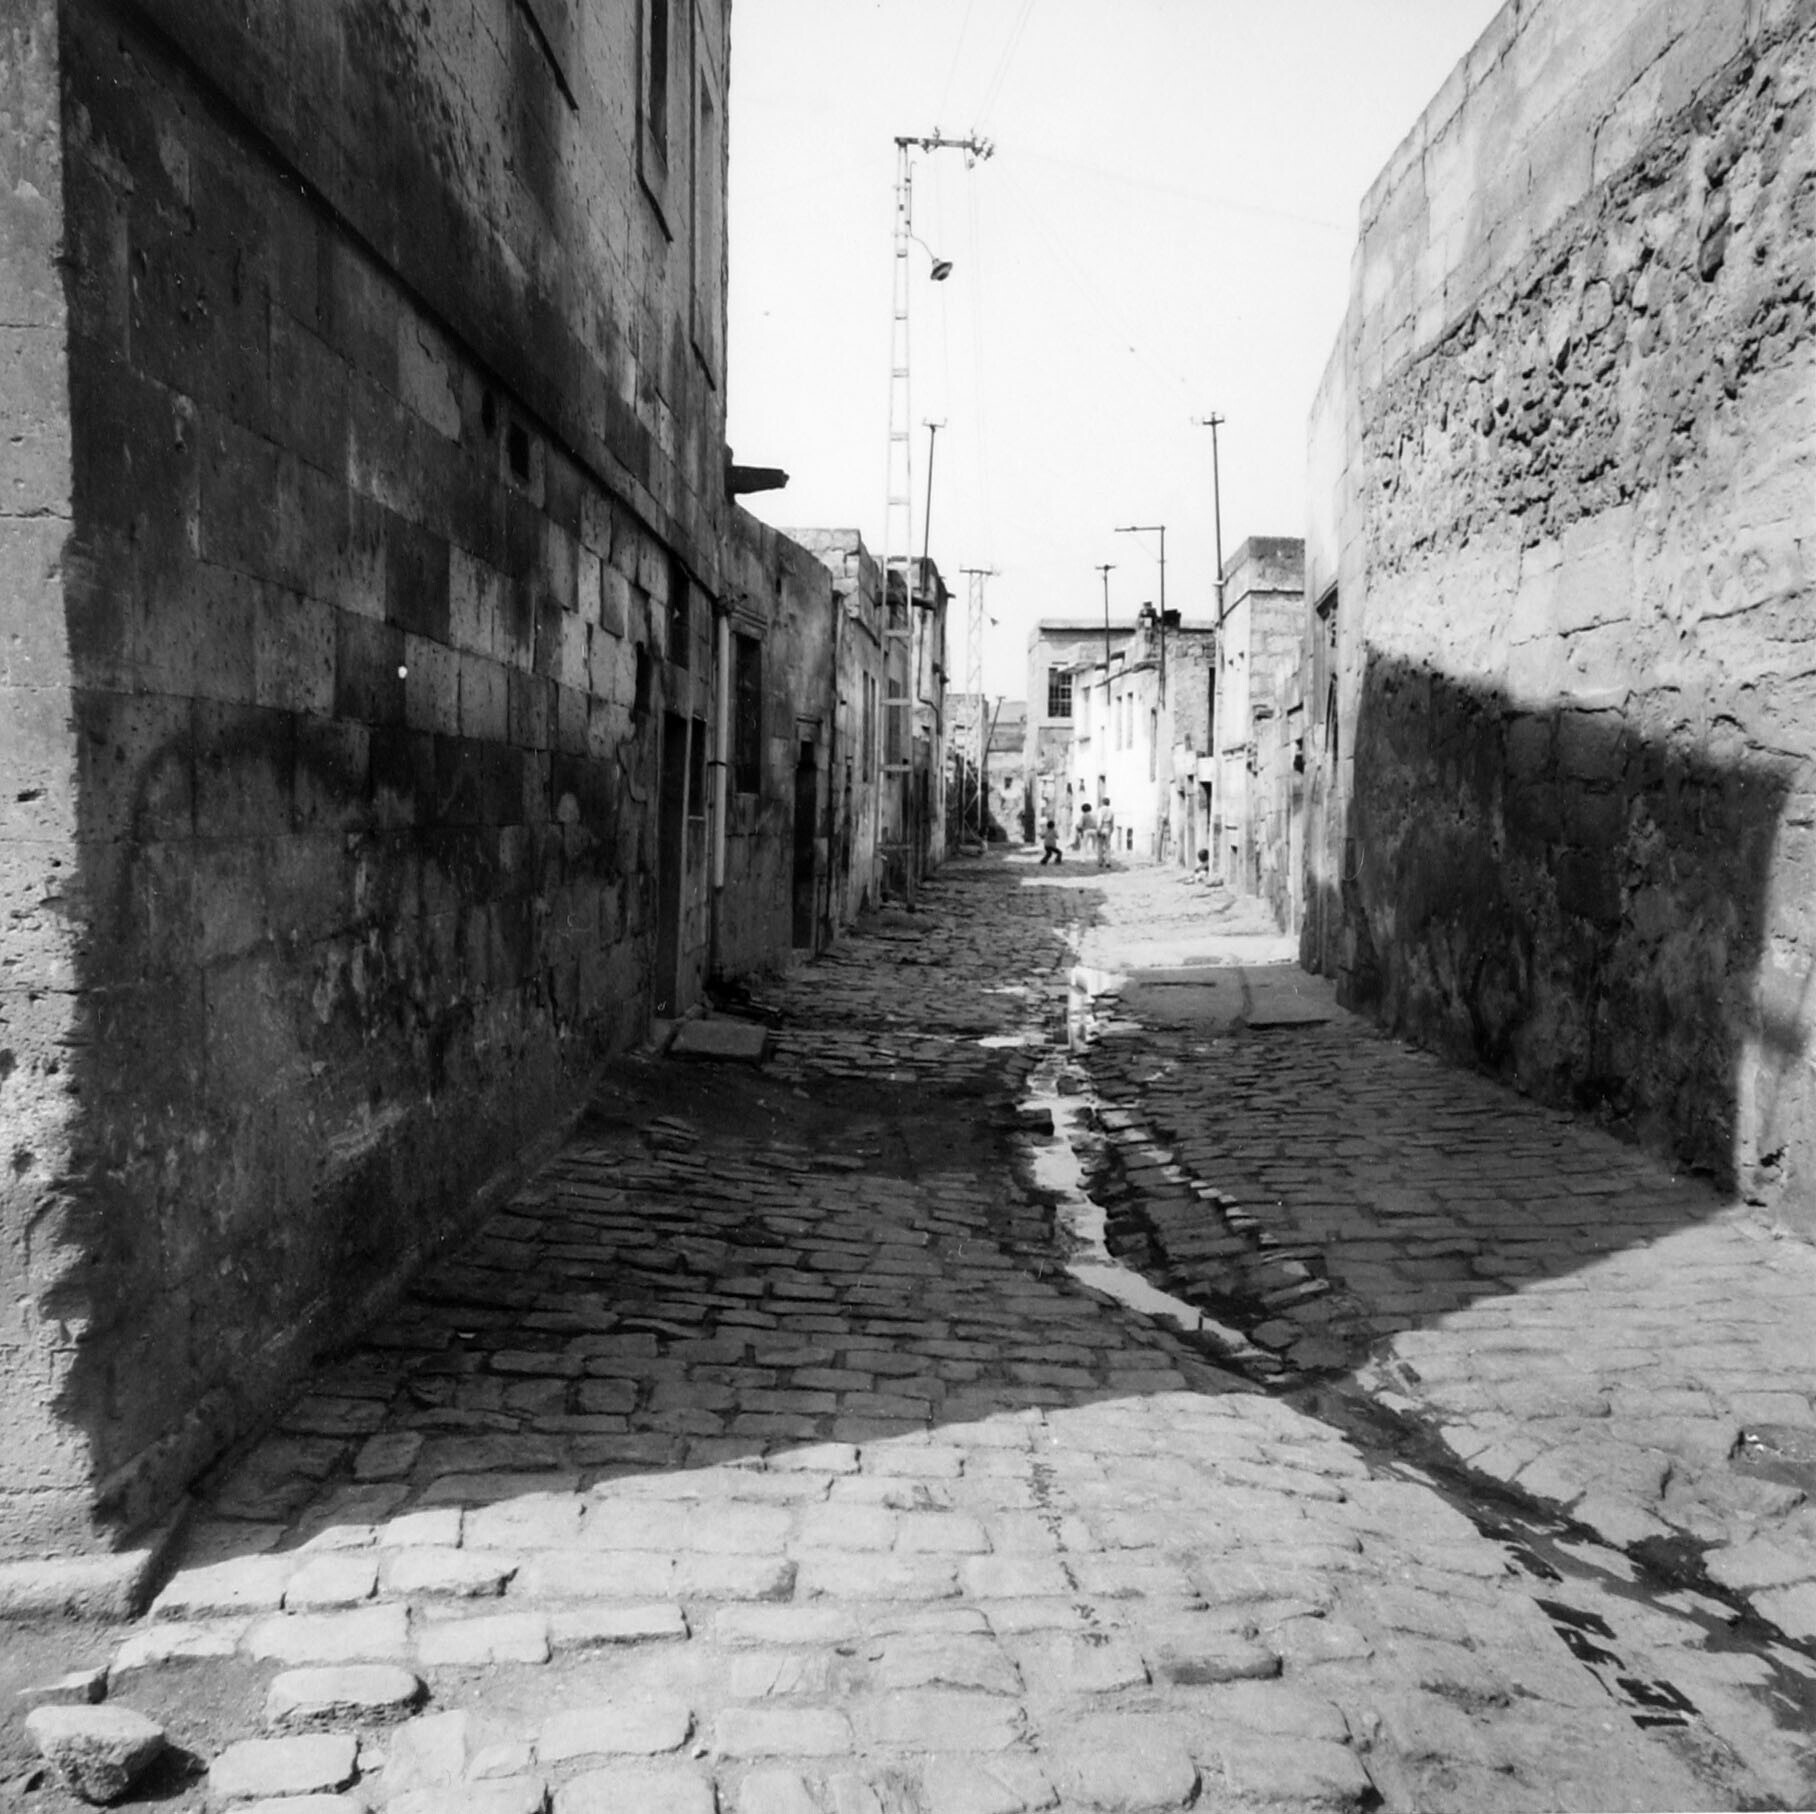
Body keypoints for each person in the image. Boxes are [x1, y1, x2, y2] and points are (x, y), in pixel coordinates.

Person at [1096, 798, 1116, 867]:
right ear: (1109, 803)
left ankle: (1100, 862)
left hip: (1102, 827)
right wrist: (1112, 829)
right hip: (1108, 828)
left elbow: (1099, 820)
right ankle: (1108, 862)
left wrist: (1098, 829)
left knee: (1100, 845)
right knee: (1108, 846)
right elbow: (1112, 821)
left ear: (1103, 802)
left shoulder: (1101, 810)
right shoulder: (1111, 811)